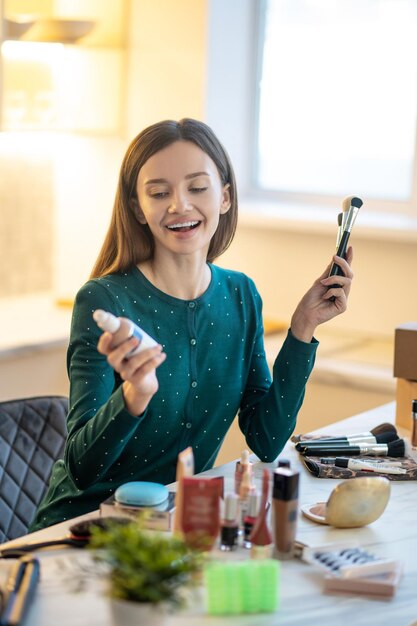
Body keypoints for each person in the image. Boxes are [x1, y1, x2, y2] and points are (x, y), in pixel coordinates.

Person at [30, 118, 353, 531]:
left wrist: (303, 329)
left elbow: (267, 440)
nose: (179, 205)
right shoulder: (103, 300)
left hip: (174, 530)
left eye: (197, 188)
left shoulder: (240, 295)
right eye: (159, 192)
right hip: (84, 530)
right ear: (137, 208)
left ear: (225, 197)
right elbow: (82, 468)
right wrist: (132, 397)